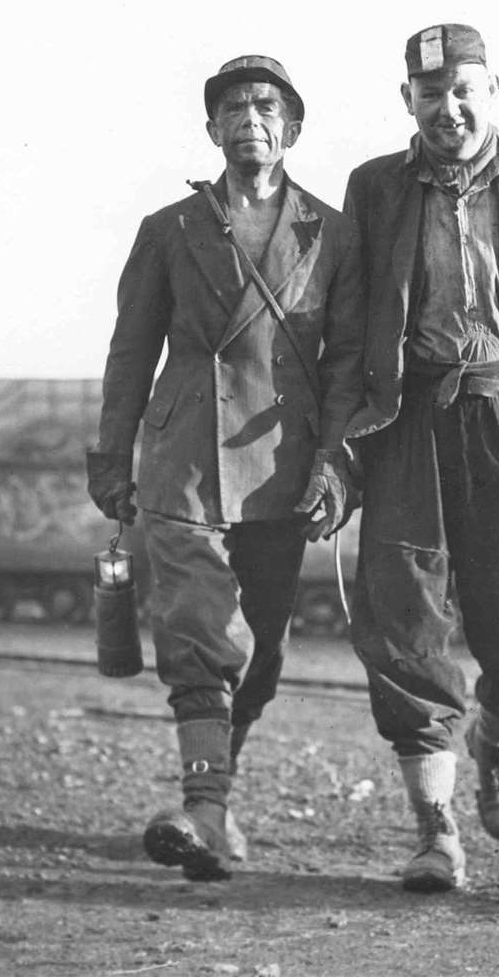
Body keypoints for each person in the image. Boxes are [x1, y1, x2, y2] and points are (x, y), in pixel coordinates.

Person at [87, 55, 365, 882]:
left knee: (264, 651)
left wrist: (336, 467)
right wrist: (112, 454)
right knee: (200, 630)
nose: (251, 117)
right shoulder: (169, 229)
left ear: (293, 128)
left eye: (267, 105)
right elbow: (131, 350)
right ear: (212, 130)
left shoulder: (334, 232)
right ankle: (202, 806)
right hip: (186, 458)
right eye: (234, 107)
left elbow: (348, 362)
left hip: (282, 465)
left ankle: (218, 795)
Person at [341, 23, 499, 892]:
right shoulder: (374, 188)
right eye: (430, 93)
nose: (448, 109)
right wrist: (341, 450)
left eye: (464, 91)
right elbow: (346, 321)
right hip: (409, 424)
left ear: (494, 91)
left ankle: (496, 739)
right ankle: (435, 831)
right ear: (406, 99)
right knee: (408, 620)